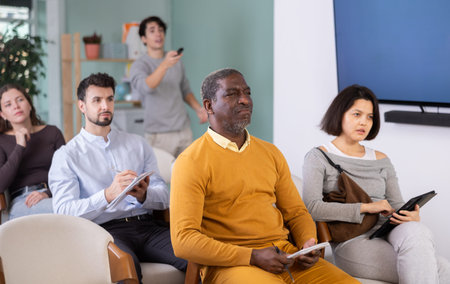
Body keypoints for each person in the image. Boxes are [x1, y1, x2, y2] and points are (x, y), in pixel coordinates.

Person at [170, 68, 357, 283]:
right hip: (232, 265)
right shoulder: (190, 162)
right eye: (232, 94)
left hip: (285, 255)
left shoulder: (270, 152)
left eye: (247, 93)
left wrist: (307, 242)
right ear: (208, 106)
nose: (244, 100)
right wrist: (252, 256)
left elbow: (296, 212)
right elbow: (183, 240)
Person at [302, 84, 450, 283]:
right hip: (352, 240)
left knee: (419, 231)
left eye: (370, 116)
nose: (364, 122)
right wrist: (368, 207)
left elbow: (397, 205)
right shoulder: (317, 157)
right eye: (357, 114)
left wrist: (411, 215)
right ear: (340, 114)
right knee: (442, 270)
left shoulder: (381, 159)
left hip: (388, 230)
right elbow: (312, 208)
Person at [48, 73, 187, 283]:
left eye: (110, 99)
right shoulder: (66, 156)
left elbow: (165, 196)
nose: (105, 105)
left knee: (197, 254)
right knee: (126, 265)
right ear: (82, 106)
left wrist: (144, 196)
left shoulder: (138, 144)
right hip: (105, 232)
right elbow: (64, 211)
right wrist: (107, 195)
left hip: (148, 226)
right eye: (97, 100)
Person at [129, 16, 207, 157]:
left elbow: (185, 90)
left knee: (187, 177)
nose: (158, 34)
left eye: (160, 30)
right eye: (152, 31)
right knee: (158, 178)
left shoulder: (175, 60)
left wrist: (199, 109)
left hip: (183, 130)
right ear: (143, 38)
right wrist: (164, 65)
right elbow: (146, 87)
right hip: (158, 135)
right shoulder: (139, 65)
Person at [0, 84, 65, 220]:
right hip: (24, 202)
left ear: (29, 104)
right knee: (69, 210)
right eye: (8, 104)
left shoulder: (52, 132)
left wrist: (47, 193)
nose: (16, 106)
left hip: (57, 194)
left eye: (20, 100)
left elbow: (68, 172)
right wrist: (19, 146)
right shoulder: (2, 141)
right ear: (3, 114)